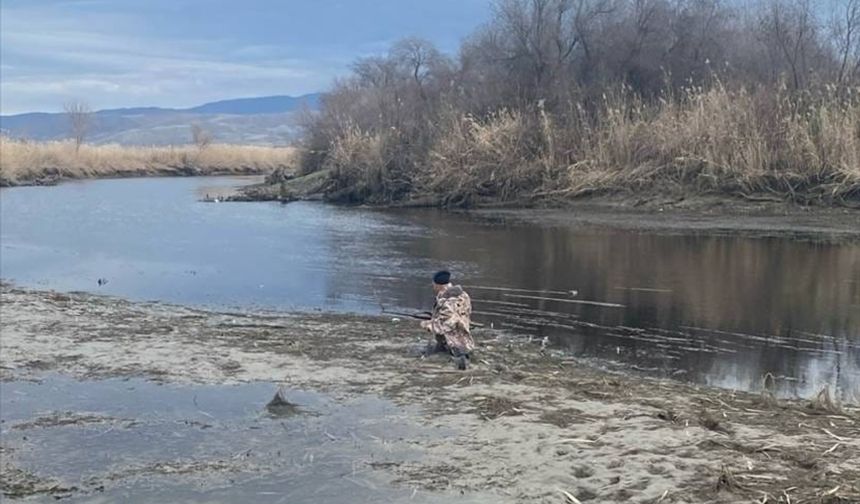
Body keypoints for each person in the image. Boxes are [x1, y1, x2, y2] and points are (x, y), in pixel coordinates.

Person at [420, 270, 475, 370]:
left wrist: (427, 324)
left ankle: (459, 358)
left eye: (433, 284)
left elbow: (446, 325)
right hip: (466, 339)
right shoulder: (463, 295)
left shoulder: (448, 301)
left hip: (454, 344)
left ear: (438, 285)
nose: (433, 286)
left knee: (428, 356)